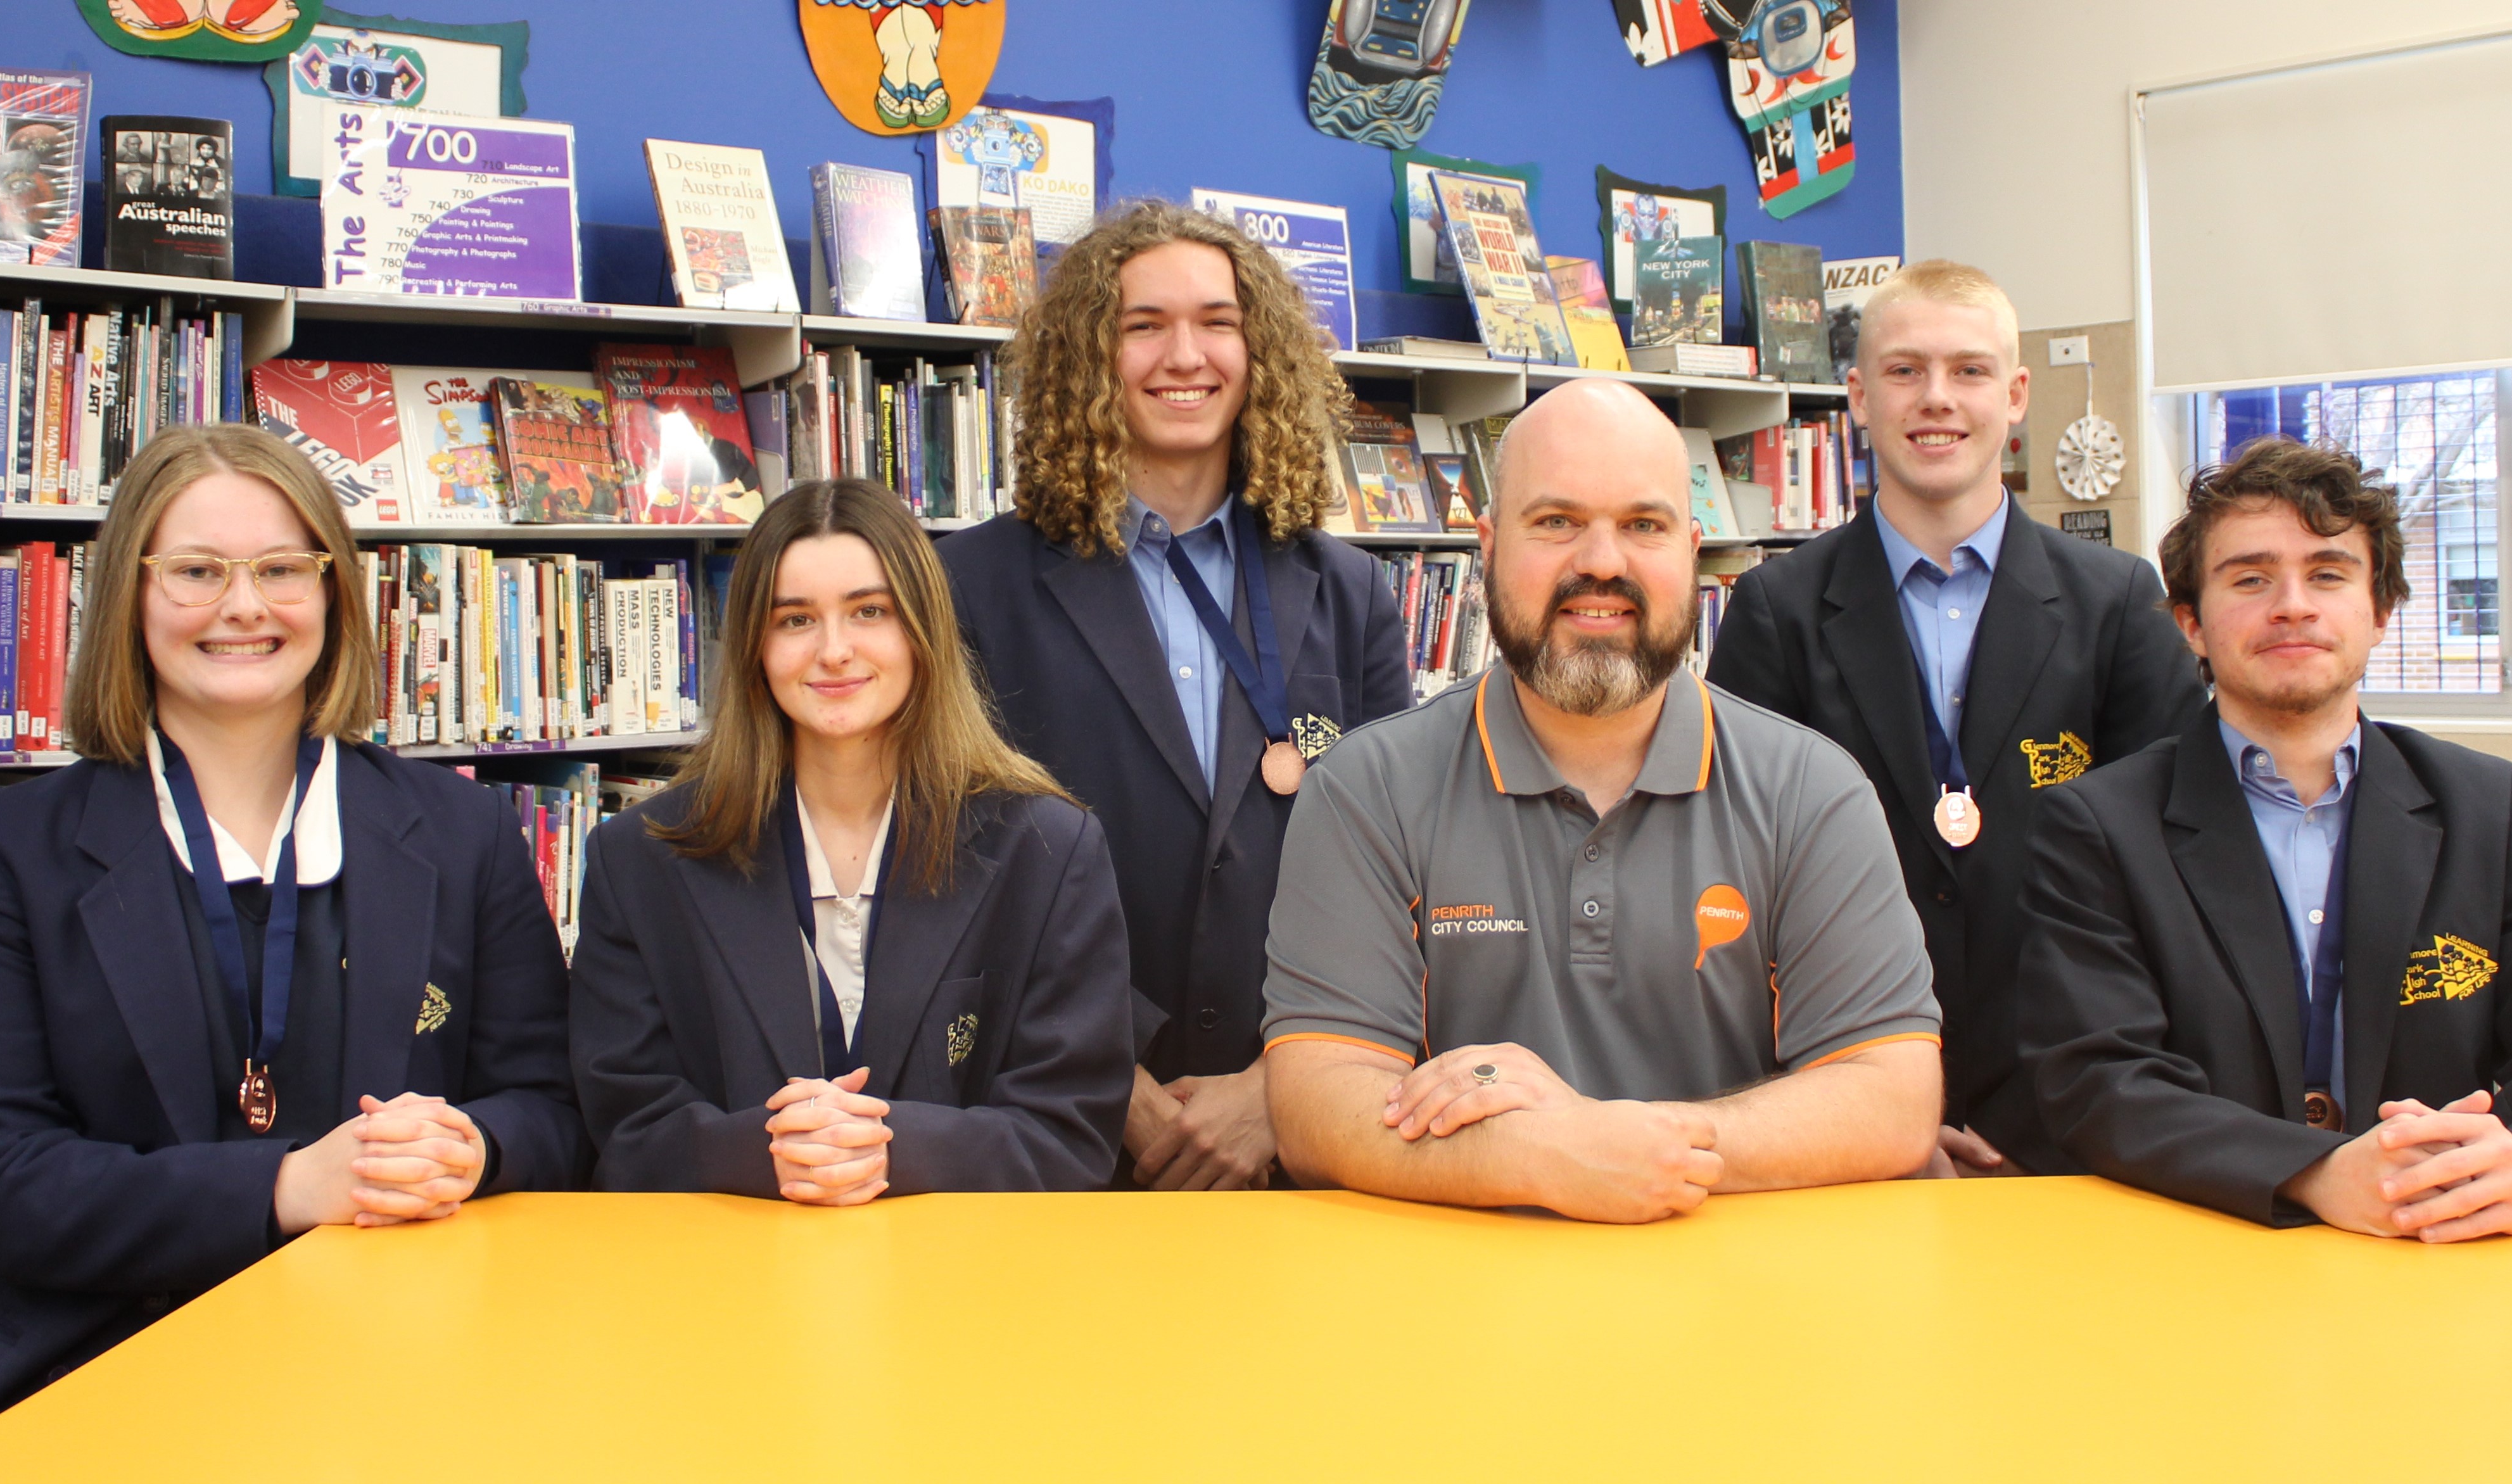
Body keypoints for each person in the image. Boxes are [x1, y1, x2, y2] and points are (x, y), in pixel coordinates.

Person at [0, 425, 586, 1470]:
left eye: (280, 569)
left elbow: (554, 1108)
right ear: (131, 592)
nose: (245, 606)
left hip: (399, 1367)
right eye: (198, 571)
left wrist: (474, 1147)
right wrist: (284, 1187)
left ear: (334, 592)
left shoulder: (463, 834)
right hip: (99, 1370)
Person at [1259, 380, 1943, 1224]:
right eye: (1556, 521)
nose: (1603, 561)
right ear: (1486, 545)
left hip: (1745, 1309)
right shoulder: (1367, 789)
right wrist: (1541, 1155)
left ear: (1694, 549)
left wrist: (1629, 1143)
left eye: (1643, 525)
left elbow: (1894, 1095)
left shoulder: (1813, 790)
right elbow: (1318, 1106)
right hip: (1450, 1309)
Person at [2017, 438, 2512, 1236]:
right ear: (2191, 624)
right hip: (2207, 1253)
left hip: (2448, 1258)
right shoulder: (2099, 825)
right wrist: (2318, 1174)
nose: (2292, 603)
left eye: (2328, 574)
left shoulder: (2489, 808)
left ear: (2379, 611)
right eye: (2250, 579)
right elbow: (2097, 1082)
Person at [939, 201, 1412, 1191]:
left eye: (1218, 321)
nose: (1183, 355)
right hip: (1056, 1120)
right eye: (1141, 325)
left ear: (1262, 351)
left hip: (1301, 1130)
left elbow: (1400, 869)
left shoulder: (1350, 591)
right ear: (1086, 357)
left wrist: (1278, 1086)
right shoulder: (971, 586)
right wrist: (1117, 1080)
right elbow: (955, 869)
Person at [1702, 260, 2202, 1178]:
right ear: (1856, 394)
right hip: (1837, 1099)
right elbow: (1736, 880)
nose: (1938, 399)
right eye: (1904, 370)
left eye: (1969, 371)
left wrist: (2088, 1101)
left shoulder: (2119, 603)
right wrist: (1870, 1110)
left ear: (2015, 395)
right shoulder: (1777, 609)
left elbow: (2171, 874)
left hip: (2072, 1109)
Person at [571, 480, 1135, 1199]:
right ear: (753, 647)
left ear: (923, 630)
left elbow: (1074, 1133)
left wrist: (891, 1148)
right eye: (796, 619)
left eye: (870, 611)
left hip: (970, 1284)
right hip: (723, 1282)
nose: (835, 651)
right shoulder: (640, 858)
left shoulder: (1051, 851)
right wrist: (769, 1152)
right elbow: (622, 1133)